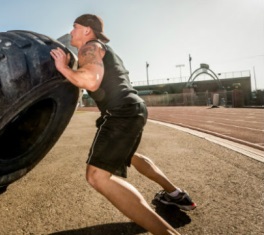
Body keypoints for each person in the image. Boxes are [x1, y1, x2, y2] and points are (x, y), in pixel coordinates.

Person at [50, 14, 196, 235]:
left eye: (75, 27)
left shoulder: (89, 47)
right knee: (133, 155)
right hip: (133, 109)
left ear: (87, 30)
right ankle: (176, 195)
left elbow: (90, 80)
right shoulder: (100, 50)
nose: (71, 32)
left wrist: (62, 68)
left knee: (97, 176)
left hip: (121, 113)